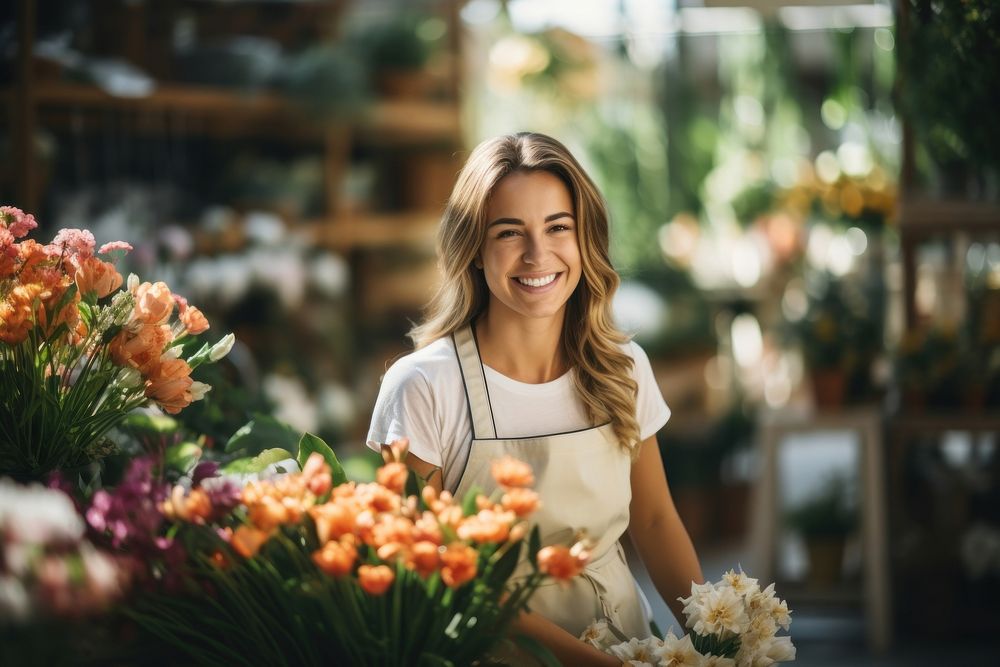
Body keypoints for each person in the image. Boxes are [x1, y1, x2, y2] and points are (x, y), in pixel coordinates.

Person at [367, 132, 703, 665]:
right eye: (509, 232)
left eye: (557, 227)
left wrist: (714, 639)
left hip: (627, 641)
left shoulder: (623, 368)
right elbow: (436, 564)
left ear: (583, 237)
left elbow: (657, 521)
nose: (537, 254)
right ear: (473, 249)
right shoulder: (423, 387)